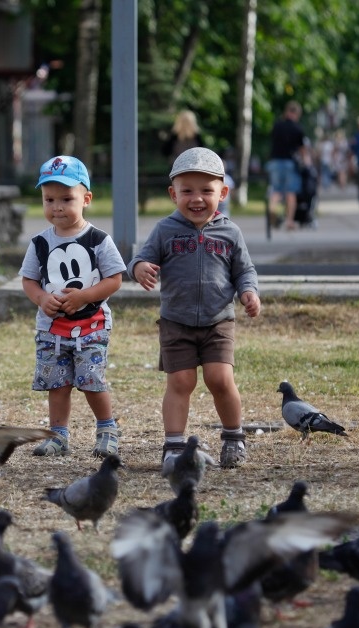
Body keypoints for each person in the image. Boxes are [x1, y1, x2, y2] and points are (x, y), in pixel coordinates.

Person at [128, 147, 261, 469]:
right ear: (173, 194)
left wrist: (248, 292)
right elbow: (138, 259)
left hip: (218, 321)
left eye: (207, 190)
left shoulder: (230, 232)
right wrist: (140, 268)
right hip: (176, 321)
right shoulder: (164, 230)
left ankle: (233, 437)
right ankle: (174, 445)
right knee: (181, 382)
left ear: (223, 192)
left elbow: (245, 270)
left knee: (220, 379)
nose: (197, 198)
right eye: (187, 191)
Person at [19, 155, 126, 458]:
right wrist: (41, 298)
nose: (57, 207)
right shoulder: (39, 242)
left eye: (67, 198)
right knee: (58, 383)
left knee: (91, 380)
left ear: (86, 199)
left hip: (91, 327)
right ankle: (58, 434)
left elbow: (115, 279)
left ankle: (107, 429)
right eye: (49, 199)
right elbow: (28, 281)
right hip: (52, 329)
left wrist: (85, 296)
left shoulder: (98, 240)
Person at [267, 101, 310, 230]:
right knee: (291, 193)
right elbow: (302, 149)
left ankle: (272, 215)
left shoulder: (277, 125)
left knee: (276, 191)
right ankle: (289, 221)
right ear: (296, 113)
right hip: (290, 162)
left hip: (274, 161)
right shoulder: (297, 128)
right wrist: (305, 162)